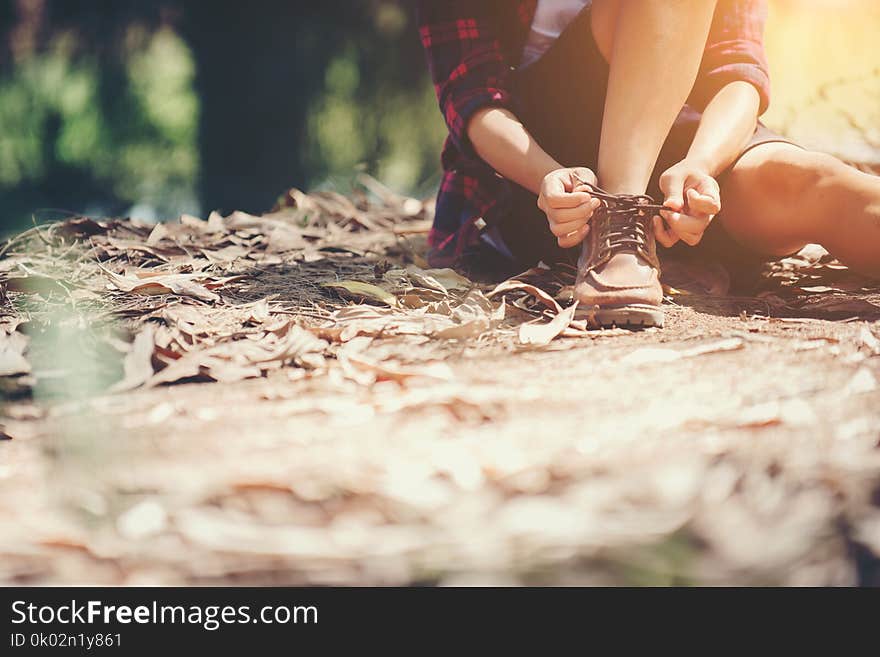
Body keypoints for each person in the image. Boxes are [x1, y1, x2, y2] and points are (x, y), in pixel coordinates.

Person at [416, 0, 880, 328]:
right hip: (544, 176)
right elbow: (473, 98)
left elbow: (738, 69)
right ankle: (619, 230)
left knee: (806, 184)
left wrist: (701, 164)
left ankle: (658, 240)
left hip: (682, 136)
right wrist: (546, 177)